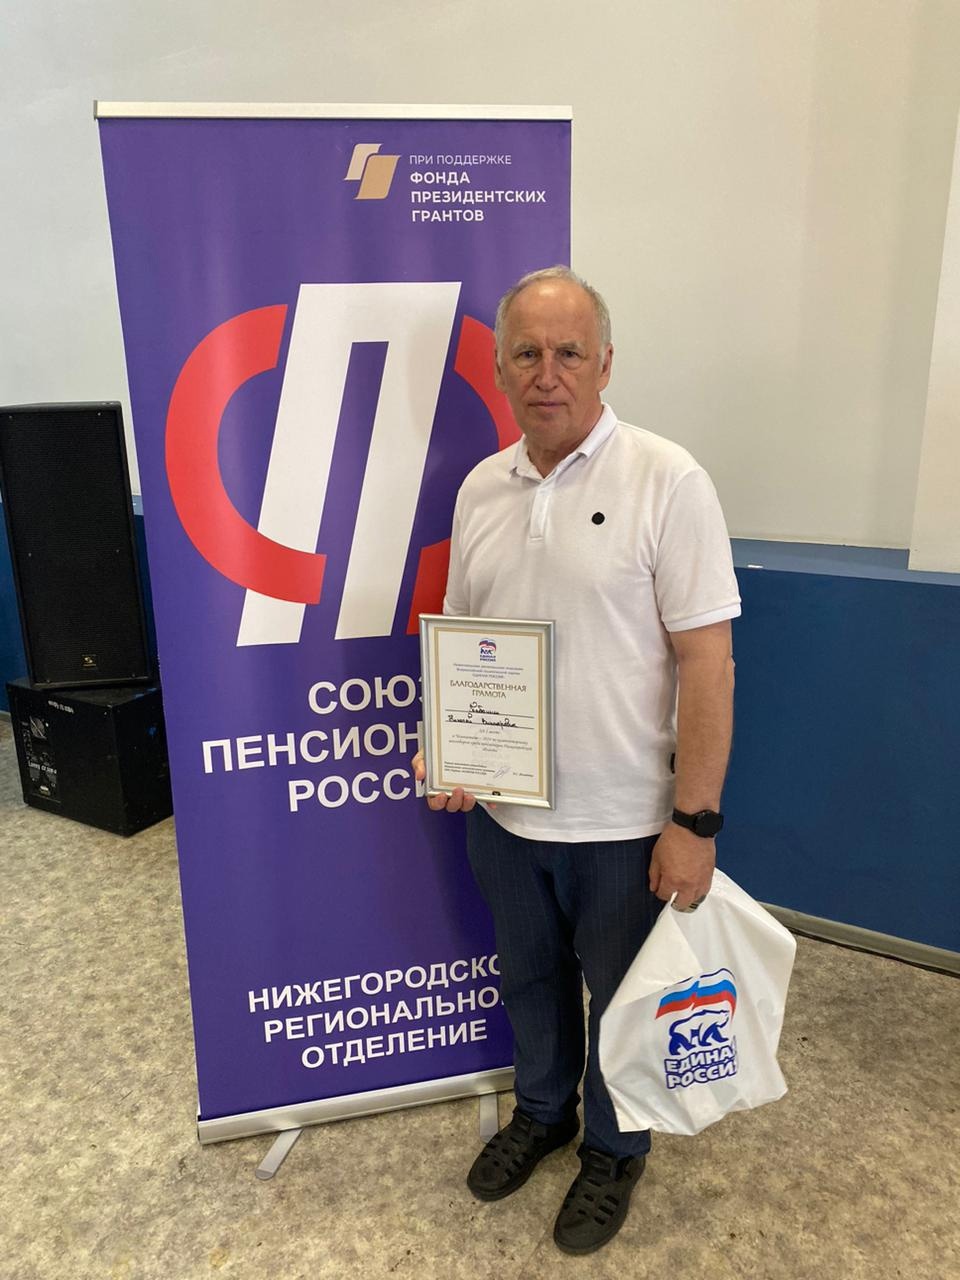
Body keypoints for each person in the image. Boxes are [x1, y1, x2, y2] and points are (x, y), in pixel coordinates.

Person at [412, 265, 740, 1255]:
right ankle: (545, 1110)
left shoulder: (667, 479)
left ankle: (614, 1146)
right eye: (527, 352)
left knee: (626, 1000)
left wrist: (694, 823)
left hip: (625, 823)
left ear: (605, 363)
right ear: (500, 367)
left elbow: (708, 663)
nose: (546, 372)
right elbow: (465, 639)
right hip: (506, 815)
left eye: (568, 352)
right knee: (530, 979)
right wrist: (451, 745)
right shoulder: (481, 488)